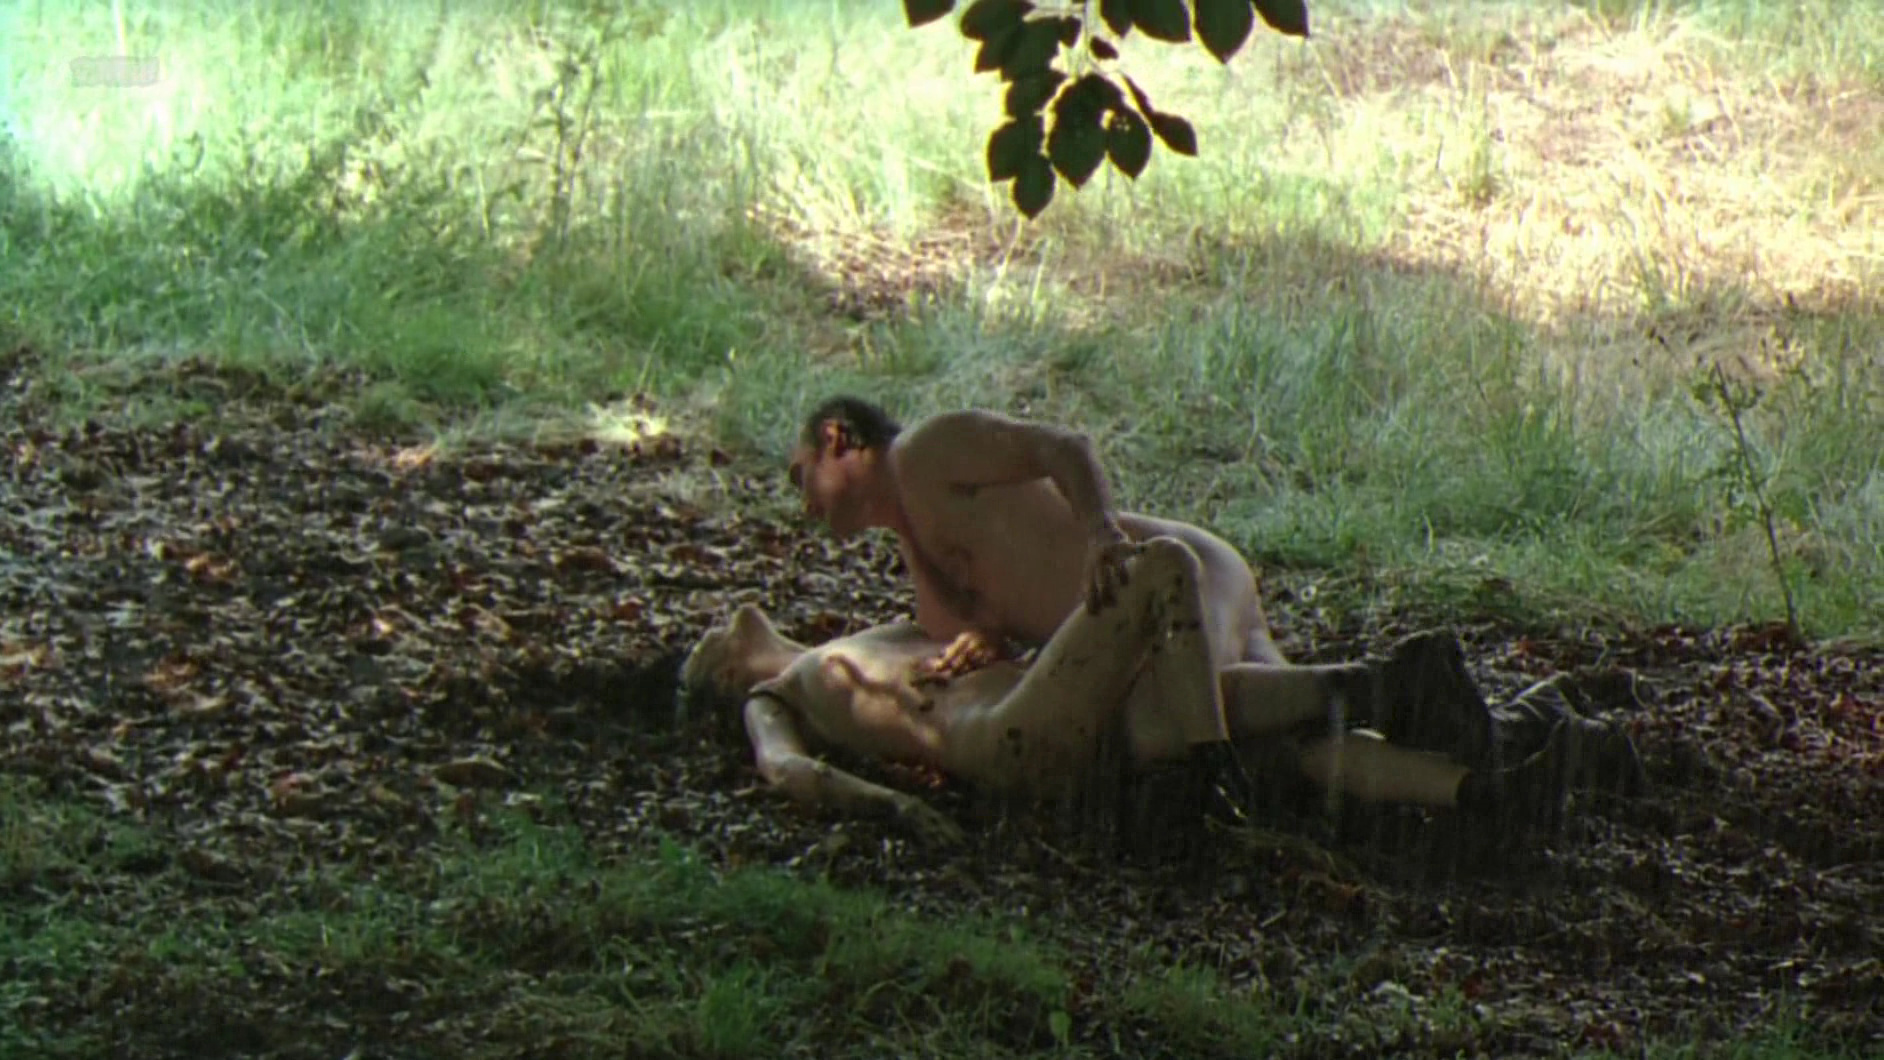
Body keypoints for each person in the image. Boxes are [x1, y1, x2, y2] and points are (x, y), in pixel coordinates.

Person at [783, 395, 1645, 810]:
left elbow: (1062, 446)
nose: (805, 507)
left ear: (837, 440)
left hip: (1179, 576)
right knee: (1283, 744)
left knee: (1203, 732)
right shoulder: (917, 561)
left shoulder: (929, 452)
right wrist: (985, 648)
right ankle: (1512, 768)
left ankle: (1397, 692)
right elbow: (1022, 630)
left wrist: (1100, 534)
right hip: (1146, 626)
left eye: (801, 478)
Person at [678, 536, 1586, 847]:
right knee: (1160, 569)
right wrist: (901, 812)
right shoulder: (779, 693)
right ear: (723, 676)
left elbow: (993, 638)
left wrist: (987, 638)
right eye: (705, 647)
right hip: (1009, 738)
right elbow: (788, 773)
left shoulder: (856, 643)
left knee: (1216, 702)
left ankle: (1476, 788)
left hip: (1052, 708)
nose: (722, 624)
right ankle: (1214, 778)